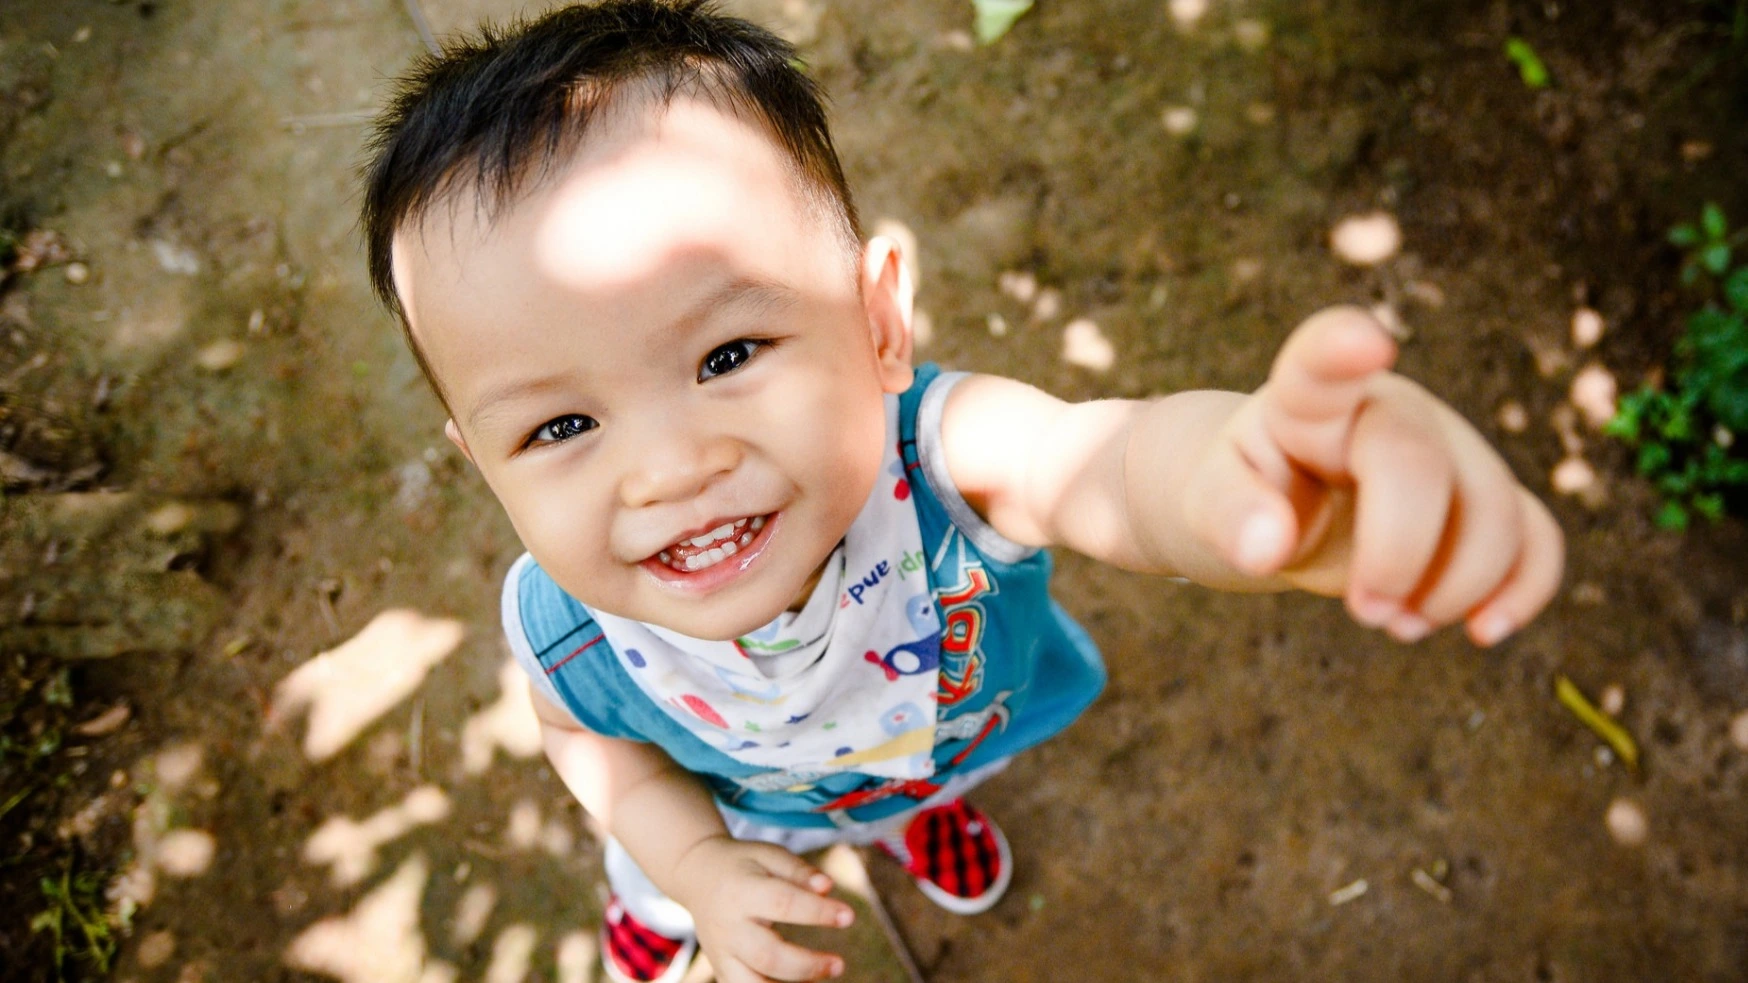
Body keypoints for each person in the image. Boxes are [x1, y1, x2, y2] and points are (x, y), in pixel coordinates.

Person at [360, 2, 1565, 981]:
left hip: (930, 736)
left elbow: (1109, 464)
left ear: (877, 318)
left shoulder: (939, 457)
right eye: (561, 423)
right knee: (666, 868)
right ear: (481, 456)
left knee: (918, 780)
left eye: (727, 356)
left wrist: (1250, 482)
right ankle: (665, 909)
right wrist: (693, 864)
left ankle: (901, 816)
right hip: (730, 808)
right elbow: (598, 748)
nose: (668, 470)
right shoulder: (565, 620)